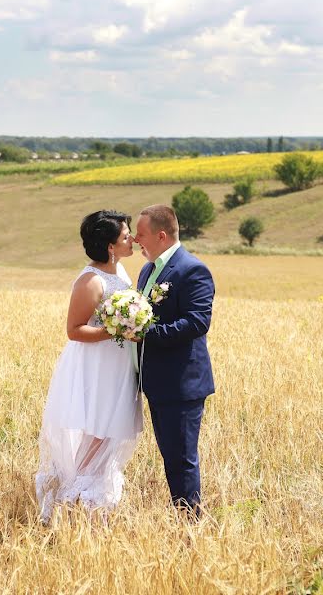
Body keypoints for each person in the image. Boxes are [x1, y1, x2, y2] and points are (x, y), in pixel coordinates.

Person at [34, 210, 143, 522]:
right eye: (125, 236)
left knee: (110, 432)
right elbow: (74, 329)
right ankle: (74, 496)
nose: (132, 239)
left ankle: (93, 502)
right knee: (99, 430)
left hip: (118, 363)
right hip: (97, 366)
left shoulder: (119, 272)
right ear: (110, 245)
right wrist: (116, 331)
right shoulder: (91, 281)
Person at [133, 204, 215, 518]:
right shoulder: (146, 270)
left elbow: (197, 323)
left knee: (182, 458)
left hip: (182, 383)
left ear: (161, 235)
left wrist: (145, 333)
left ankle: (190, 522)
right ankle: (181, 514)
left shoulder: (192, 269)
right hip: (156, 381)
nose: (137, 240)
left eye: (141, 234)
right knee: (170, 455)